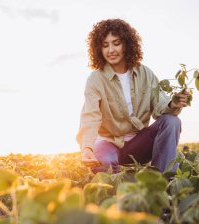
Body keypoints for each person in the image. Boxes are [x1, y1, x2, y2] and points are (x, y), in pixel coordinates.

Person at [76, 19, 189, 173]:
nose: (111, 50)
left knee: (171, 121)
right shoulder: (95, 79)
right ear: (98, 49)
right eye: (105, 45)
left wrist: (172, 105)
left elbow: (160, 107)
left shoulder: (146, 73)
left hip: (139, 144)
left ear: (127, 44)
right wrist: (87, 148)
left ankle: (165, 181)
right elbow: (90, 116)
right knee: (103, 164)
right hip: (108, 144)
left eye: (116, 43)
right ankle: (118, 188)